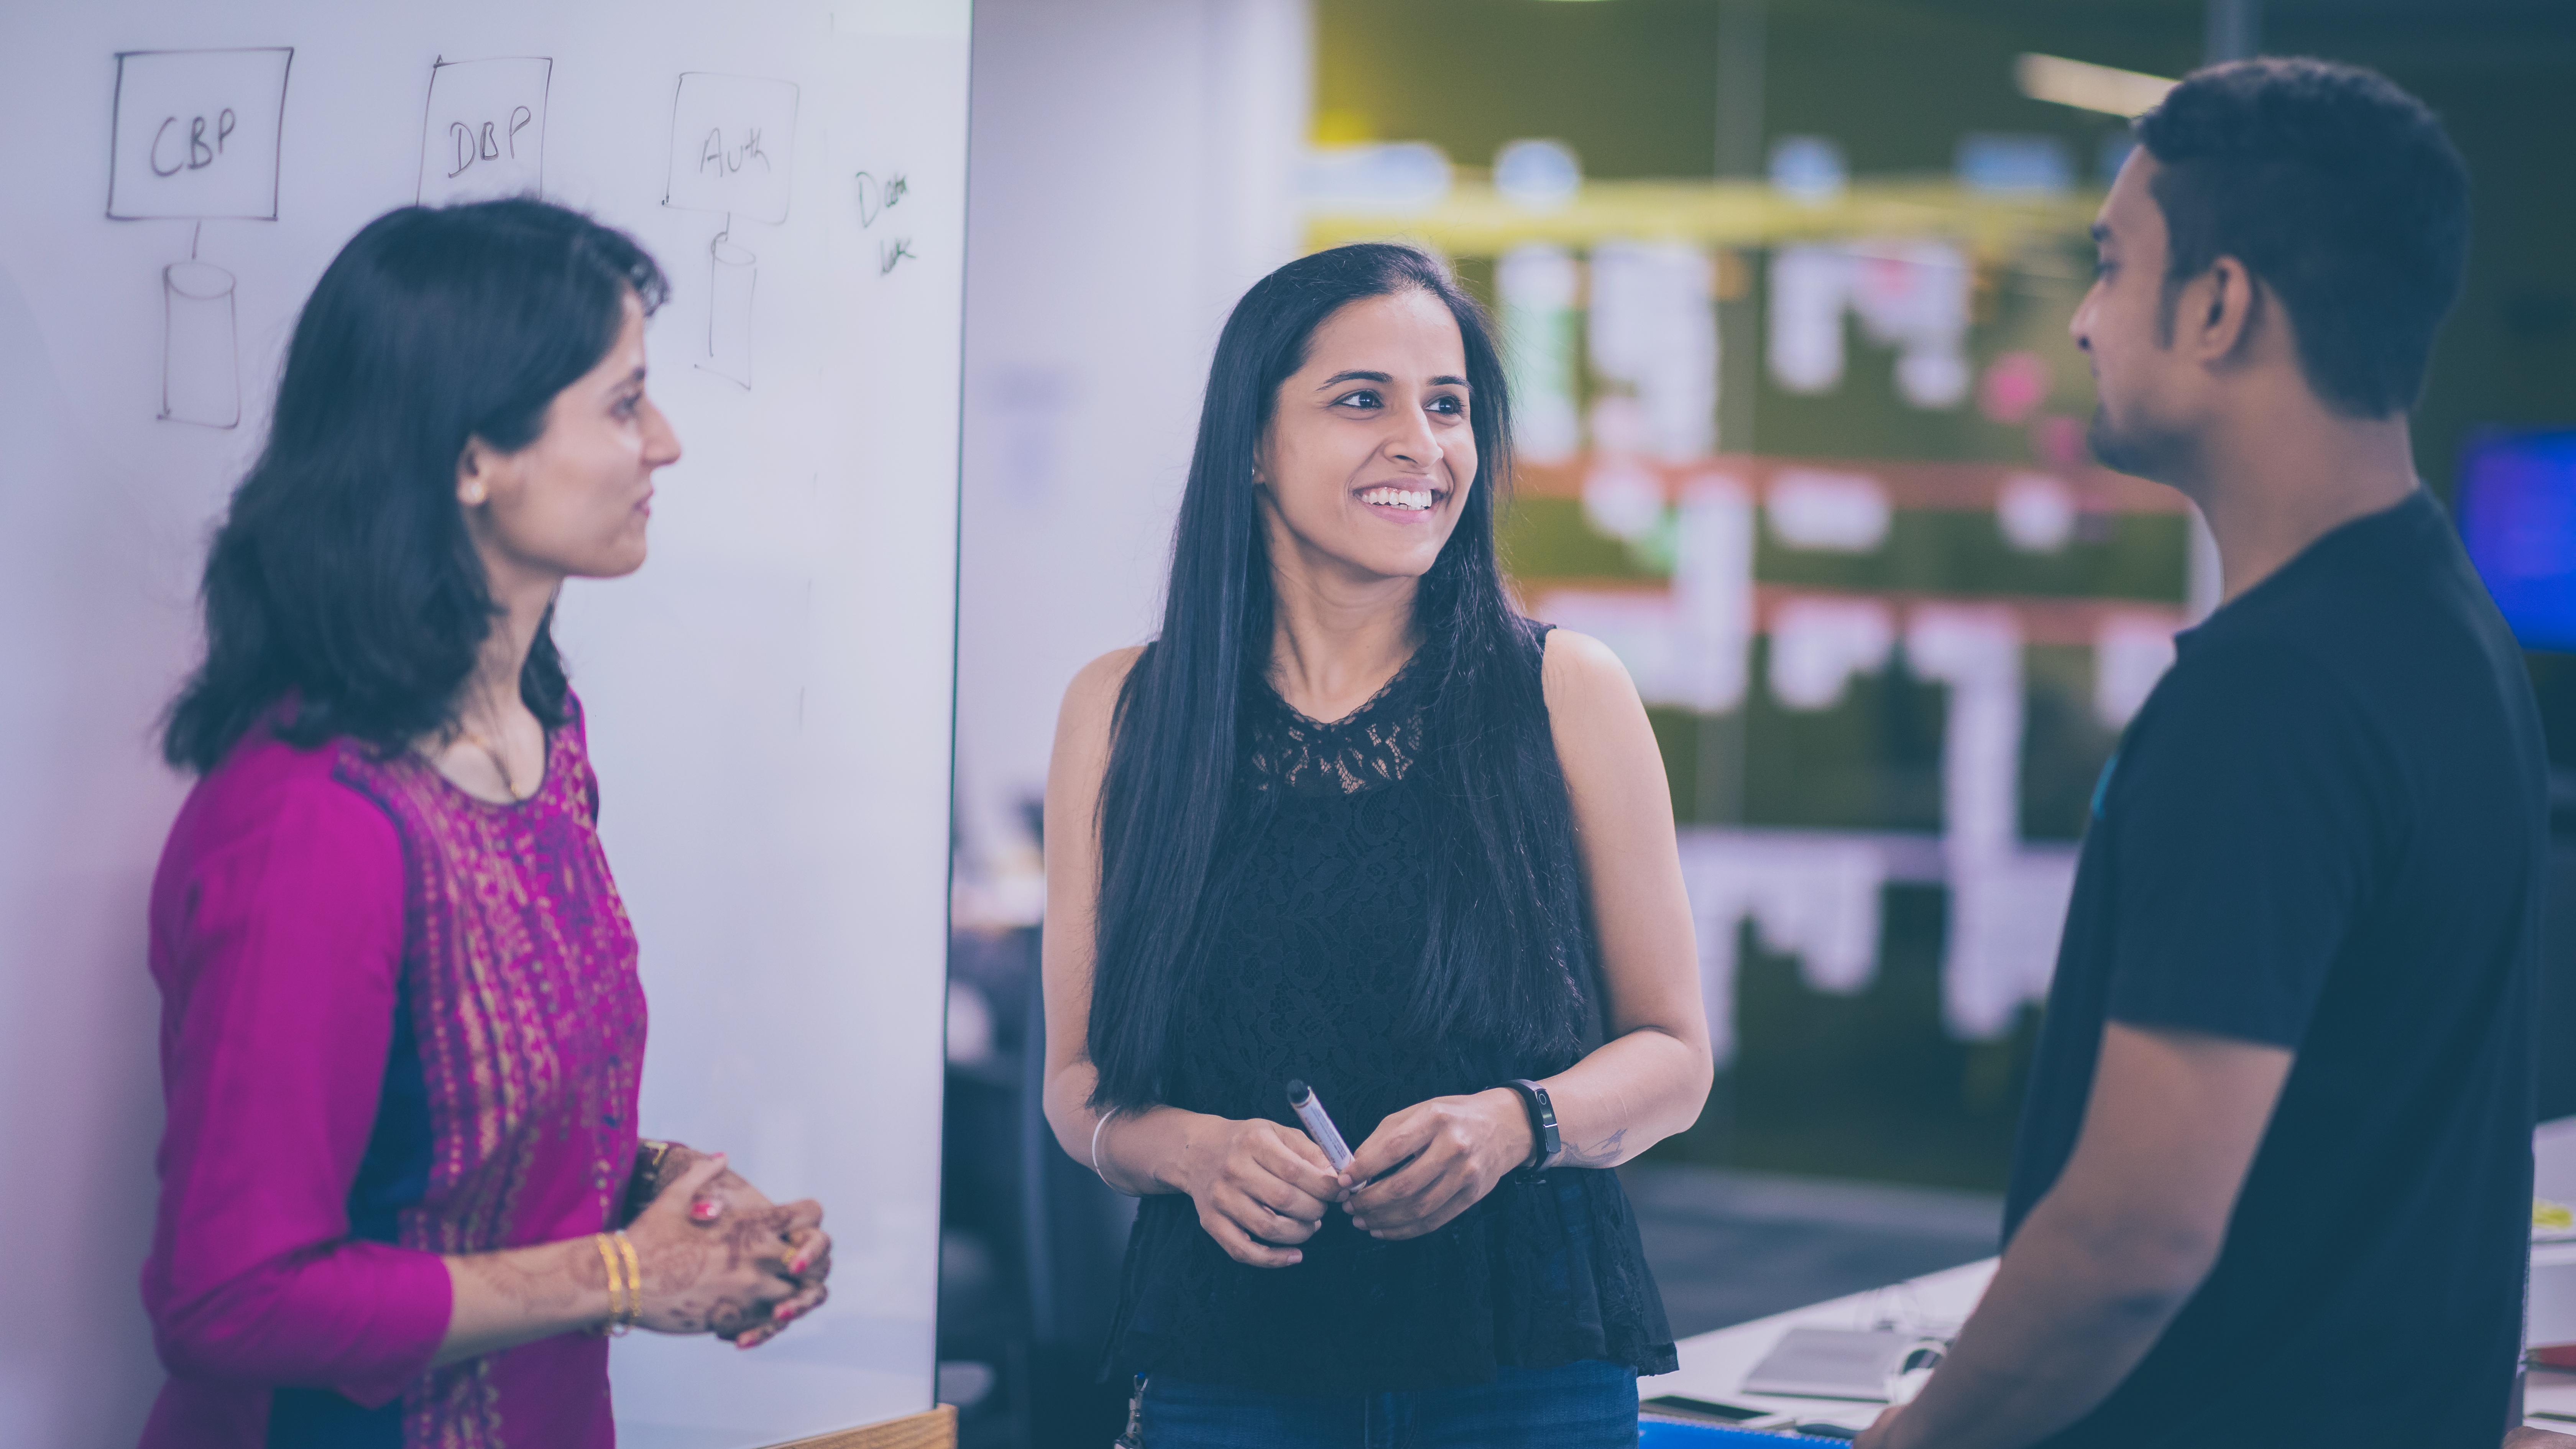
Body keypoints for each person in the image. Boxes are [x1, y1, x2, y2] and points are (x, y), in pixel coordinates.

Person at [1856, 58, 2552, 1449]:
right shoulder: (2446, 629)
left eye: (2113, 265)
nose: (2086, 324)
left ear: (2221, 305)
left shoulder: (2270, 698)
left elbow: (2132, 1239)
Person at [142, 199, 832, 1448]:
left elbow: (437, 1145)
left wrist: (670, 1199)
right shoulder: (312, 823)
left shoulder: (546, 736)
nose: (665, 442)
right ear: (473, 458)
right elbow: (230, 1301)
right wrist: (629, 1275)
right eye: (624, 403)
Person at [1039, 242, 1712, 1446]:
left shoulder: (1566, 690)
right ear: (1253, 443)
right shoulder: (1125, 711)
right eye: (1365, 399)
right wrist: (1190, 1150)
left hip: (1523, 1371)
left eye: (1446, 406)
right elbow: (1079, 1083)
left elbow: (1673, 1055)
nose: (1424, 443)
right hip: (1228, 1374)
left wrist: (1518, 1122)